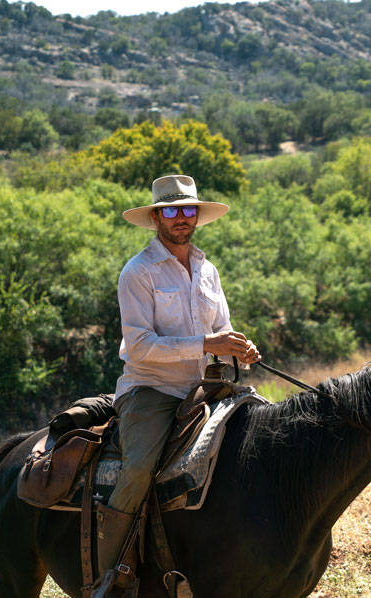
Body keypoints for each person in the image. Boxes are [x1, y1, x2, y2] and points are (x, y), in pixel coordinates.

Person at [93, 174, 261, 597]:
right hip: (152, 390)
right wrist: (208, 343)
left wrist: (237, 345)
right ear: (155, 218)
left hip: (202, 387)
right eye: (171, 210)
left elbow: (221, 326)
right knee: (138, 467)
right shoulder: (138, 272)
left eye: (188, 210)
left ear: (197, 216)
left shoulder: (207, 269)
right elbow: (141, 346)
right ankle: (108, 576)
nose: (181, 218)